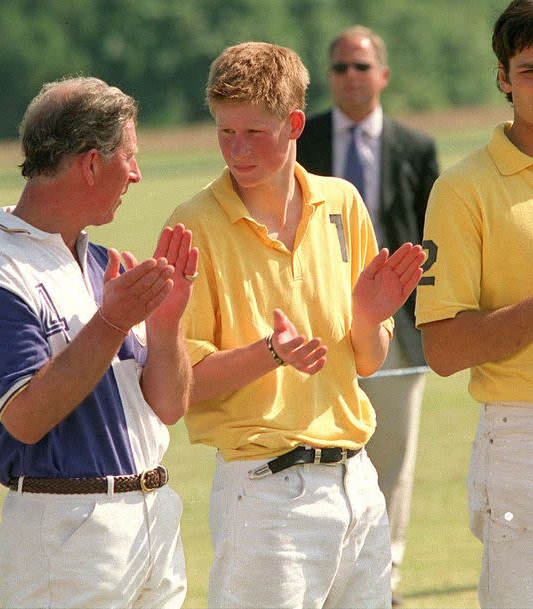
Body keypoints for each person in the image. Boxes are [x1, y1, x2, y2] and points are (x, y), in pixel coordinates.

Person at [167, 41, 426, 609]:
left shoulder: (342, 202)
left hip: (358, 485)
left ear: (294, 123)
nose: (237, 150)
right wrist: (269, 352)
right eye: (224, 132)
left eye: (254, 132)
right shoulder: (193, 226)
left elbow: (368, 360)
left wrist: (366, 318)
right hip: (264, 497)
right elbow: (179, 385)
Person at [0, 76, 198, 609]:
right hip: (67, 539)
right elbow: (26, 417)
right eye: (128, 156)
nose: (136, 172)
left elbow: (170, 407)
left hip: (152, 525)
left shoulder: (106, 263)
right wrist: (110, 324)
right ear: (90, 163)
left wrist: (166, 324)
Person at [297, 26, 440, 603]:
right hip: (316, 327)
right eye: (339, 68)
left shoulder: (414, 145)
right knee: (317, 452)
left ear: (383, 75)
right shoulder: (303, 142)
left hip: (397, 332)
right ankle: (326, 575)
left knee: (391, 458)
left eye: (361, 67)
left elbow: (434, 236)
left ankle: (387, 578)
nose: (350, 78)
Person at [416, 1, 533, 606]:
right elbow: (444, 348)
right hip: (520, 436)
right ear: (503, 77)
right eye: (531, 70)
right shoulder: (462, 189)